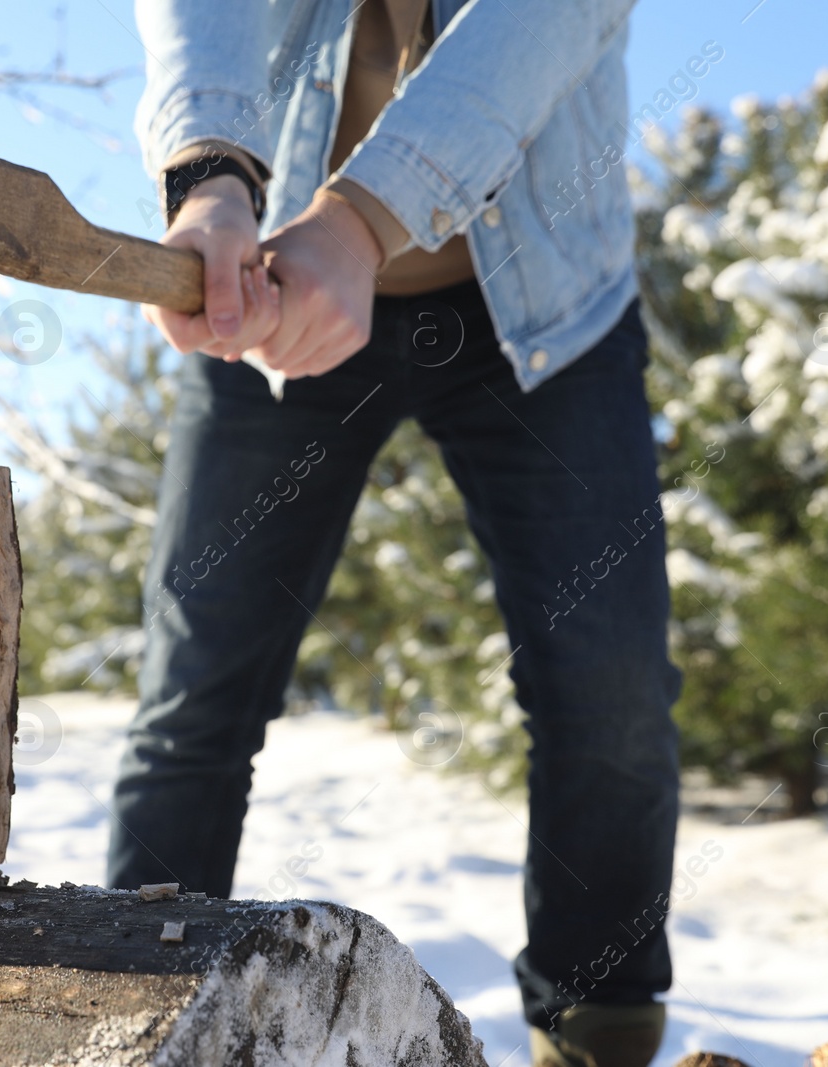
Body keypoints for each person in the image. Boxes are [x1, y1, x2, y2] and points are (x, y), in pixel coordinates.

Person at [106, 3, 682, 1065]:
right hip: (276, 298)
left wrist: (365, 216)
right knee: (194, 693)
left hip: (548, 320)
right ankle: (137, 1023)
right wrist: (211, 175)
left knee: (611, 699)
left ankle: (595, 1040)